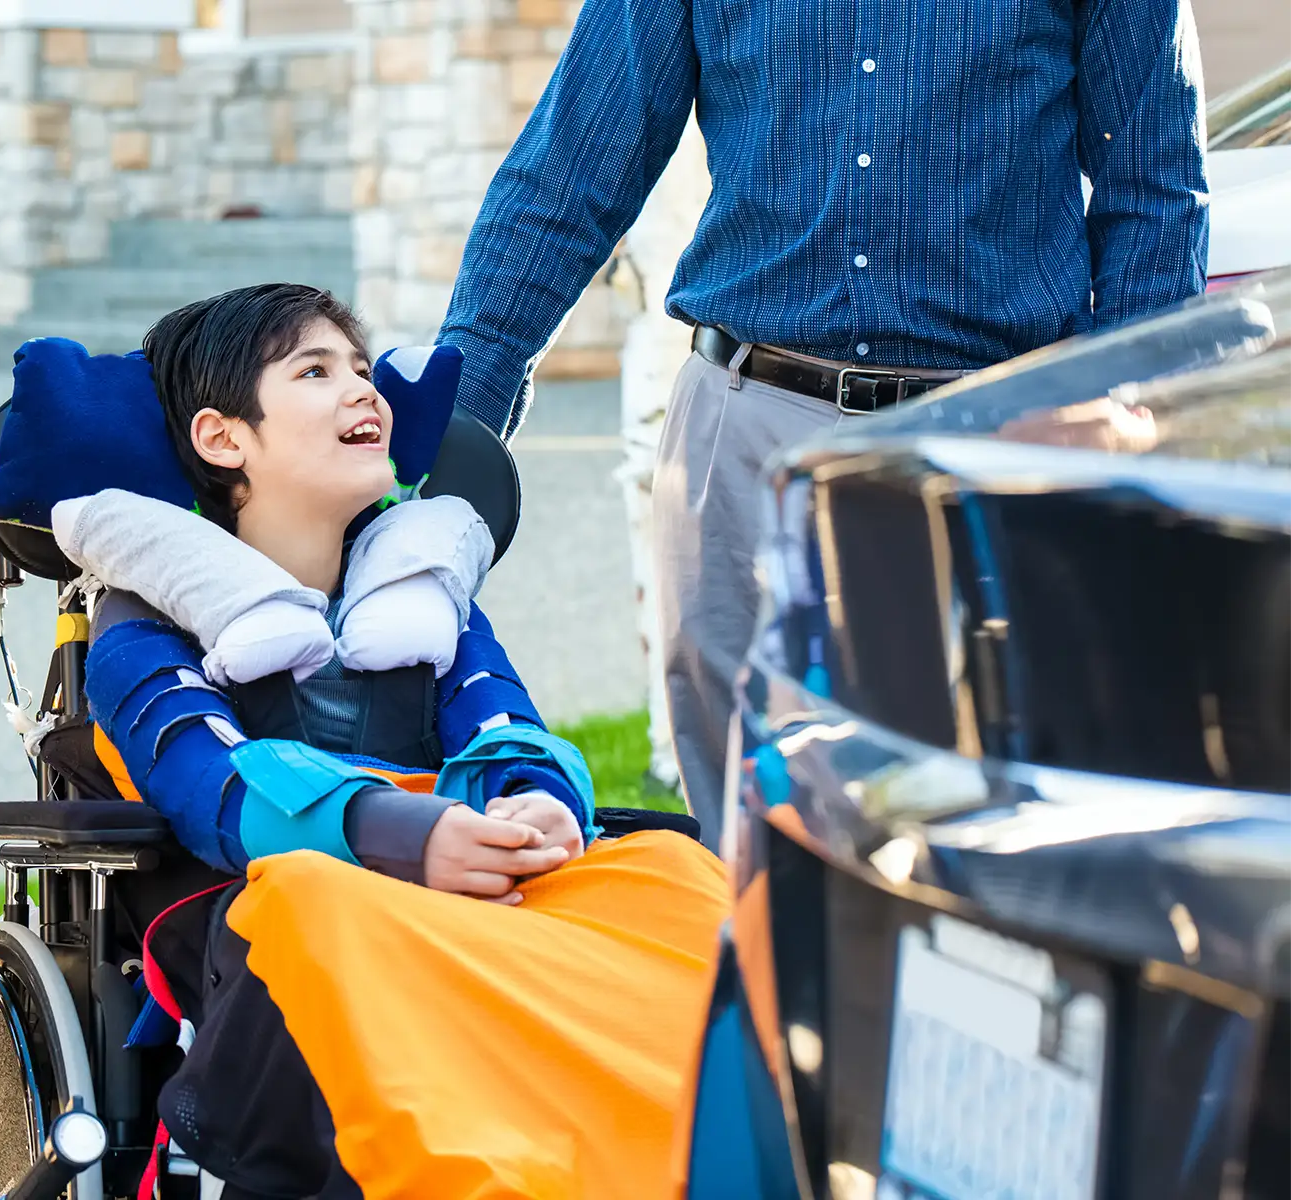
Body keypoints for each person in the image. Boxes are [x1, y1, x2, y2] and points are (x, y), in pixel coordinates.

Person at [437, 0, 1210, 850]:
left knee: (979, 843)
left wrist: (1108, 415)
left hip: (987, 445)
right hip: (742, 437)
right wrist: (456, 427)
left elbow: (1157, 190)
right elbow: (573, 167)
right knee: (741, 843)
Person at [62, 285, 728, 1198]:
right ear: (225, 440)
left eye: (364, 370)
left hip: (462, 871)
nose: (363, 392)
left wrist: (536, 804)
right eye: (314, 370)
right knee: (315, 898)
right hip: (267, 897)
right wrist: (408, 837)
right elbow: (212, 789)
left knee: (674, 876)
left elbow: (506, 731)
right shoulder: (140, 622)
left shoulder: (421, 595)